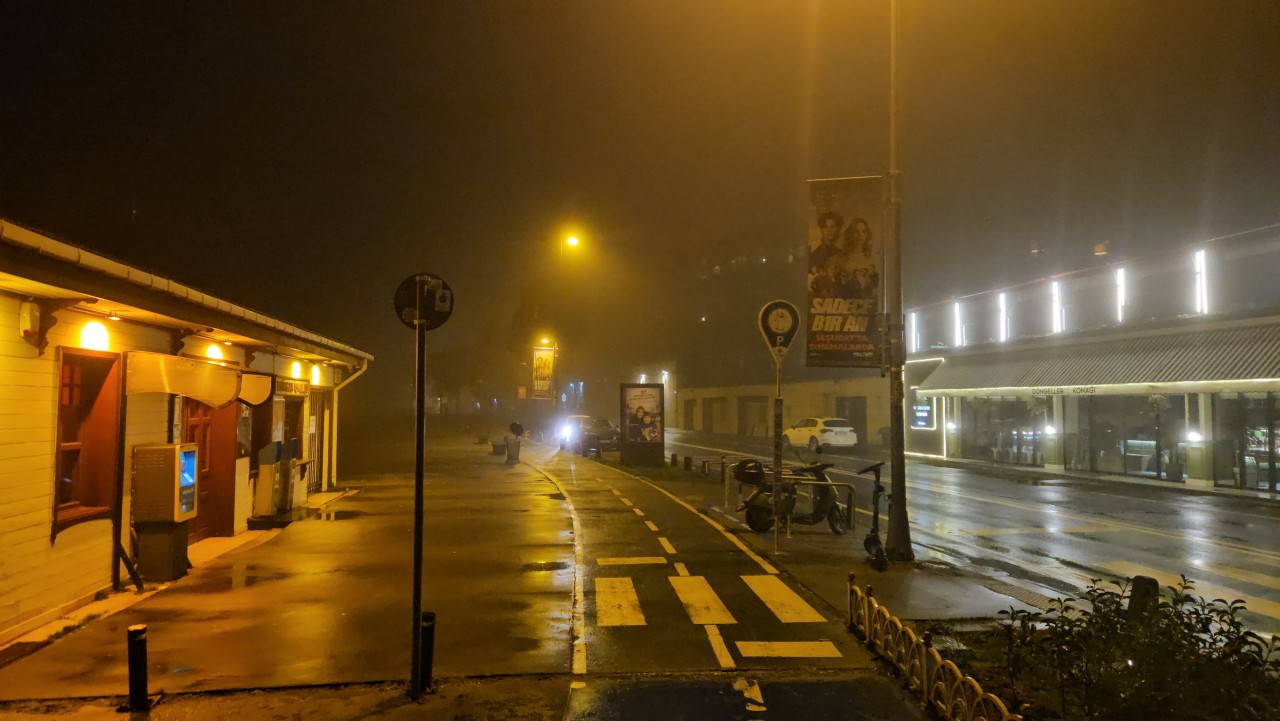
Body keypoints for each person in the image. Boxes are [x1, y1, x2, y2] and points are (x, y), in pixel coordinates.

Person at [810, 211, 844, 276]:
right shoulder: (815, 253)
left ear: (838, 229)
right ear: (821, 229)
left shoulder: (840, 252)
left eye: (833, 227)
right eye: (826, 227)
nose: (829, 230)